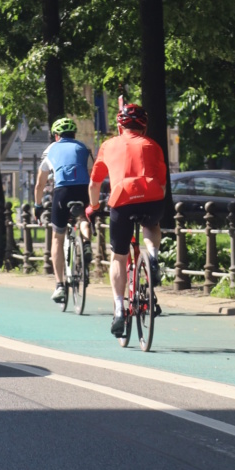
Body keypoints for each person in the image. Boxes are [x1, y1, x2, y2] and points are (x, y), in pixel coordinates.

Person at [87, 104, 168, 337]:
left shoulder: (108, 145)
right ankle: (152, 256)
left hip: (122, 201)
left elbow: (94, 184)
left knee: (119, 256)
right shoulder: (152, 145)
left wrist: (93, 207)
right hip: (152, 199)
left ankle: (120, 310)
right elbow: (162, 183)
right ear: (144, 126)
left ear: (120, 125)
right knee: (151, 225)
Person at [35, 117, 93, 304]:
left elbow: (39, 184)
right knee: (82, 217)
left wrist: (37, 206)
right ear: (74, 134)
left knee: (57, 237)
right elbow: (92, 172)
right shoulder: (83, 147)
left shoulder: (50, 149)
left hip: (62, 192)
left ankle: (59, 285)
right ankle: (86, 243)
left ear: (56, 135)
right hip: (83, 188)